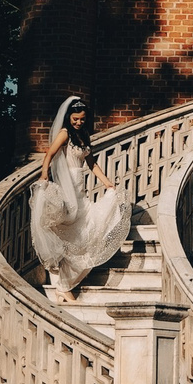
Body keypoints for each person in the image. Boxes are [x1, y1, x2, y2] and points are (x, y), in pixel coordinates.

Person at [29, 95, 131, 296]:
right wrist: (44, 175)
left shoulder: (83, 135)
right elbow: (49, 154)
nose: (78, 122)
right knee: (72, 230)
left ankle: (66, 283)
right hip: (67, 186)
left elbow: (92, 164)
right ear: (69, 118)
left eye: (82, 119)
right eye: (75, 119)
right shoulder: (65, 133)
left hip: (80, 187)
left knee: (88, 232)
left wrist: (107, 183)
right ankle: (62, 283)